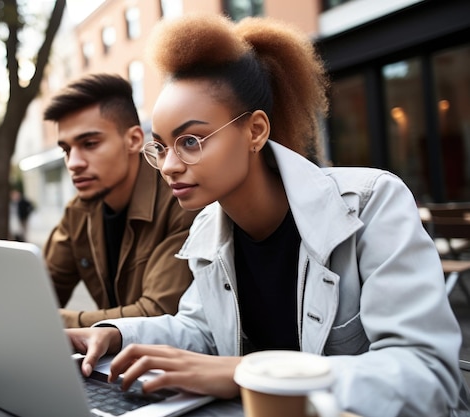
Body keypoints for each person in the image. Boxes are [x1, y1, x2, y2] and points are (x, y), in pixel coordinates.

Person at [65, 14, 470, 416]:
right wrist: (114, 334)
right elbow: (200, 330)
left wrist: (246, 373)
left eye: (190, 141)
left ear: (255, 131)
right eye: (162, 147)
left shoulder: (371, 202)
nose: (169, 165)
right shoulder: (210, 226)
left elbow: (427, 375)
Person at [39, 73, 197, 328]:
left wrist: (61, 322)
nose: (74, 163)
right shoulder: (79, 212)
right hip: (114, 361)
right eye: (66, 150)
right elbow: (40, 291)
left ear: (134, 140)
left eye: (89, 144)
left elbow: (158, 312)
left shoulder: (180, 201)